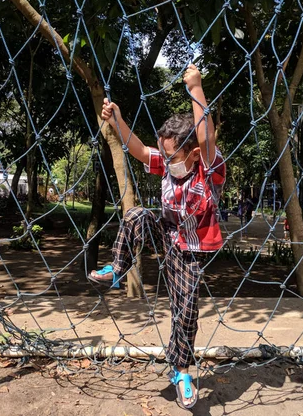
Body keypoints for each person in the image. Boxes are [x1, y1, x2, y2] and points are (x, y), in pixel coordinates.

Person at [88, 64, 225, 409]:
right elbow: (137, 149)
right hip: (164, 233)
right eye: (163, 153)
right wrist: (116, 119)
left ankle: (181, 371)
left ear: (192, 154)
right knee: (136, 215)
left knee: (186, 309)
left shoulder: (208, 168)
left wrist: (195, 87)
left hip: (190, 250)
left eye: (172, 155)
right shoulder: (166, 161)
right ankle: (118, 269)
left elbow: (206, 135)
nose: (165, 160)